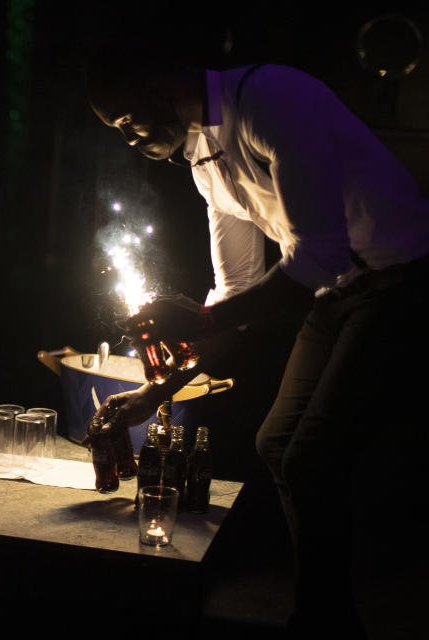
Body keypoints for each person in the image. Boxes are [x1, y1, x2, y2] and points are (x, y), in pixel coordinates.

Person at [87, 55, 429, 636]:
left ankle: (325, 620)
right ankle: (328, 612)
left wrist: (193, 320)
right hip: (338, 290)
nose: (128, 137)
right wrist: (154, 391)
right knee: (276, 443)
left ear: (161, 84)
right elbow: (237, 293)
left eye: (125, 120)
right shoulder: (203, 164)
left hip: (403, 279)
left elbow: (315, 254)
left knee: (312, 454)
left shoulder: (270, 100)